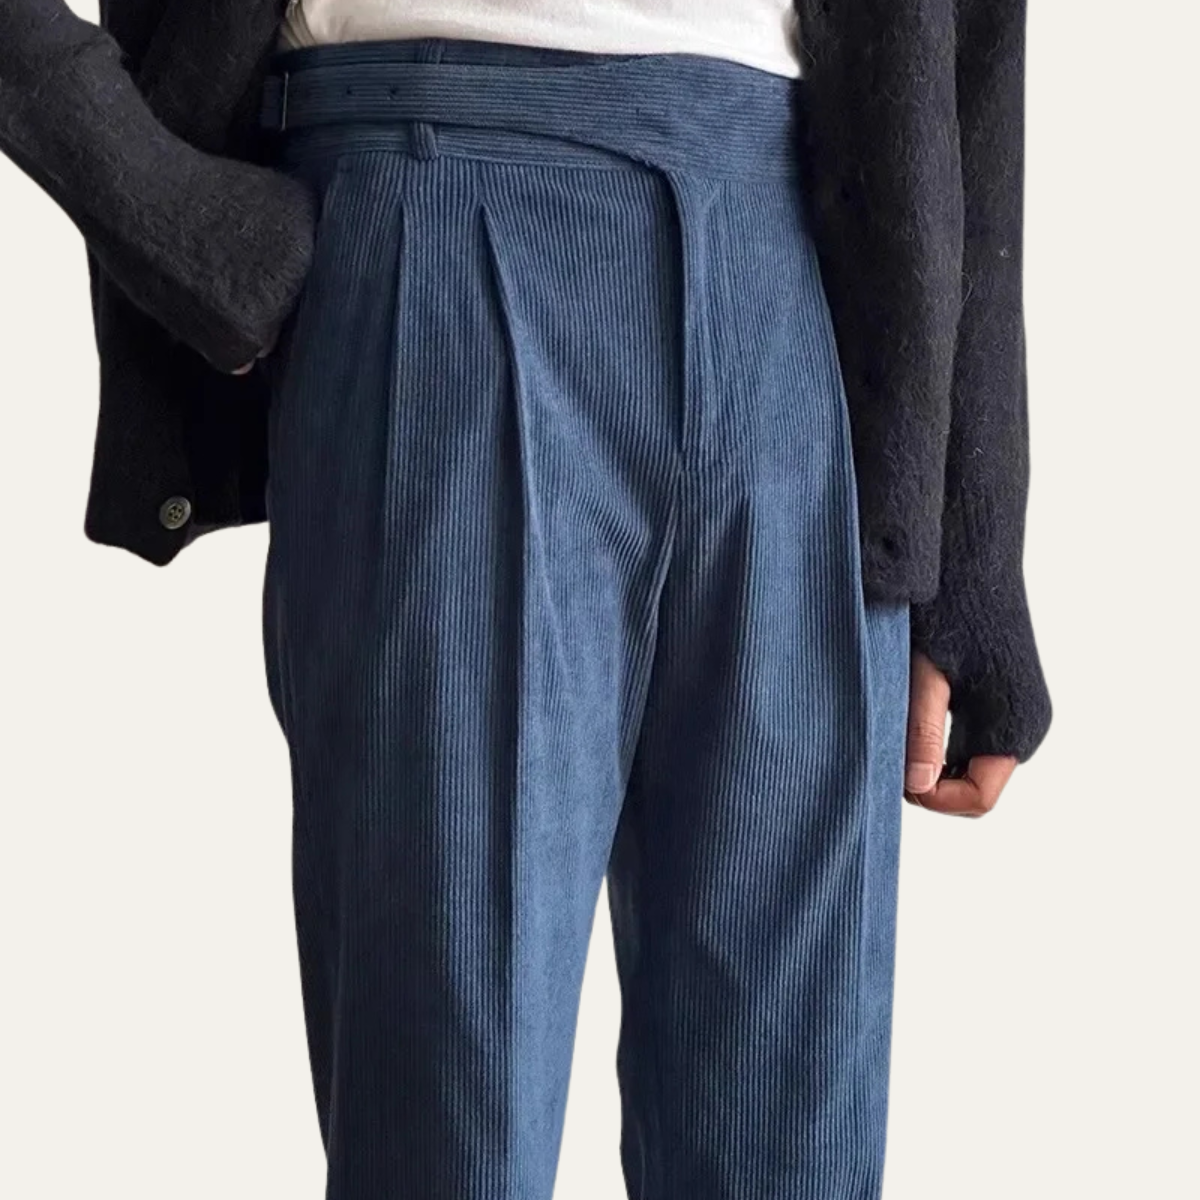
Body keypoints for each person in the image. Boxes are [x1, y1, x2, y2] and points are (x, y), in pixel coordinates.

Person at [0, 1, 1053, 1196]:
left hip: (807, 280)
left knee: (792, 1153)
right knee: (453, 1138)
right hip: (439, 226)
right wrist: (165, 209)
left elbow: (969, 36)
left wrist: (974, 538)